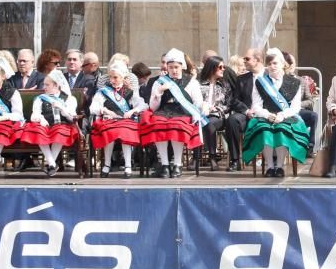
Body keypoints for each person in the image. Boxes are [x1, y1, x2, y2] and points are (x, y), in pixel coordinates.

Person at [242, 49, 310, 177]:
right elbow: (256, 105)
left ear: (283, 64)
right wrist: (267, 115)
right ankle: (269, 166)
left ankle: (279, 166)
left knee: (281, 129)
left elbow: (295, 107)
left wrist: (282, 115)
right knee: (264, 129)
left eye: (275, 63)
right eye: (269, 64)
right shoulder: (260, 82)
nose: (272, 66)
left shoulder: (295, 82)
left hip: (286, 116)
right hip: (265, 116)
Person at [141, 48, 205, 178]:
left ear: (182, 66)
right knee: (157, 124)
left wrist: (196, 114)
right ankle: (164, 165)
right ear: (167, 68)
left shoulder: (191, 82)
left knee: (177, 126)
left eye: (176, 67)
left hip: (182, 112)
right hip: (164, 111)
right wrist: (158, 93)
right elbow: (153, 107)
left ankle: (177, 164)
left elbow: (197, 102)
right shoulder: (160, 82)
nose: (174, 70)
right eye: (171, 67)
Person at [89, 62, 146, 178]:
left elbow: (143, 105)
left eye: (115, 77)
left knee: (126, 132)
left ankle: (128, 166)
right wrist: (104, 110)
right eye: (110, 77)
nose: (112, 80)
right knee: (110, 131)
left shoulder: (130, 92)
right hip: (109, 121)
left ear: (123, 78)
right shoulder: (103, 92)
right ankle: (107, 164)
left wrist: (131, 111)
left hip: (125, 122)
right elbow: (92, 108)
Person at [19, 71, 79, 176]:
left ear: (56, 85)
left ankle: (51, 164)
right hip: (45, 125)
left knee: (60, 132)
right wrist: (41, 119)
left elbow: (72, 117)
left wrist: (62, 108)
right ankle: (52, 164)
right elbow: (34, 115)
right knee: (38, 130)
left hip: (62, 124)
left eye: (47, 85)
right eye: (44, 84)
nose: (44, 87)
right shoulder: (40, 98)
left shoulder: (69, 99)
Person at [197, 56, 232, 170]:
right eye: (220, 67)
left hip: (219, 117)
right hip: (200, 114)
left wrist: (216, 109)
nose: (223, 69)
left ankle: (212, 157)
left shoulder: (225, 85)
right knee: (197, 122)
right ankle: (195, 157)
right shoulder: (199, 84)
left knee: (209, 123)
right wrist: (203, 107)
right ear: (212, 68)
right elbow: (193, 100)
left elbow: (229, 104)